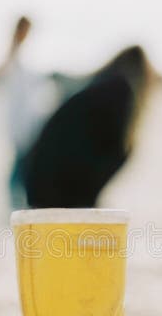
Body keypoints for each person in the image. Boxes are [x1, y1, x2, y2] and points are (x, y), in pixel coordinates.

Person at [21, 45, 151, 208]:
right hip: (58, 189)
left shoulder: (98, 88)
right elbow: (116, 150)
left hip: (37, 181)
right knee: (126, 147)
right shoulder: (120, 91)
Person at [0, 16, 57, 210]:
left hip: (26, 119)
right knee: (21, 165)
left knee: (22, 164)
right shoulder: (14, 55)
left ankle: (18, 204)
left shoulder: (21, 56)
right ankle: (17, 205)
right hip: (20, 121)